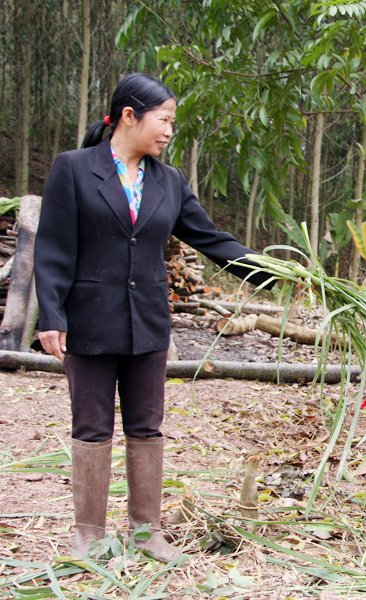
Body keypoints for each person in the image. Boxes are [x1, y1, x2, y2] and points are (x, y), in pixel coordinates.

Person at [35, 73, 271, 562]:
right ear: (129, 116)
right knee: (92, 425)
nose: (168, 132)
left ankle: (147, 531)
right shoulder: (74, 169)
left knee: (147, 423)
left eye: (172, 123)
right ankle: (89, 536)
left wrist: (272, 271)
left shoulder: (169, 181)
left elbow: (211, 239)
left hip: (147, 322)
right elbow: (54, 249)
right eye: (164, 120)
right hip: (89, 321)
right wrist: (51, 316)